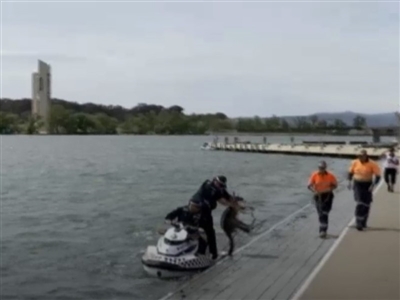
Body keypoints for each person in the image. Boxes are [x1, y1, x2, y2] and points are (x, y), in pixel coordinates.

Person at [190, 175, 234, 260]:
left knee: (210, 232)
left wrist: (234, 201)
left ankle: (213, 253)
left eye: (221, 185)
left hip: (206, 212)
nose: (220, 186)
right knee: (199, 231)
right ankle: (202, 252)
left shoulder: (219, 189)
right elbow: (221, 199)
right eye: (219, 184)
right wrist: (230, 204)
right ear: (214, 181)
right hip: (197, 209)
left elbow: (226, 196)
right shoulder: (207, 186)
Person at [347, 150, 381, 231]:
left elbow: (378, 176)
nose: (360, 157)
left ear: (366, 156)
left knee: (366, 204)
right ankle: (358, 222)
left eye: (362, 156)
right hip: (357, 184)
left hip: (367, 184)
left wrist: (373, 185)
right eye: (359, 156)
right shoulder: (355, 162)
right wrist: (349, 182)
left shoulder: (372, 164)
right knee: (360, 203)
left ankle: (364, 221)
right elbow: (350, 173)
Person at [307, 161, 338, 238]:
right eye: (320, 168)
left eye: (323, 168)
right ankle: (323, 230)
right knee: (321, 213)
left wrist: (329, 189)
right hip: (318, 196)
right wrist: (314, 191)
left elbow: (335, 185)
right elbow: (309, 185)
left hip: (328, 196)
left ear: (325, 168)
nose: (321, 169)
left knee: (325, 212)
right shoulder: (314, 175)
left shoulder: (330, 176)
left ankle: (323, 230)